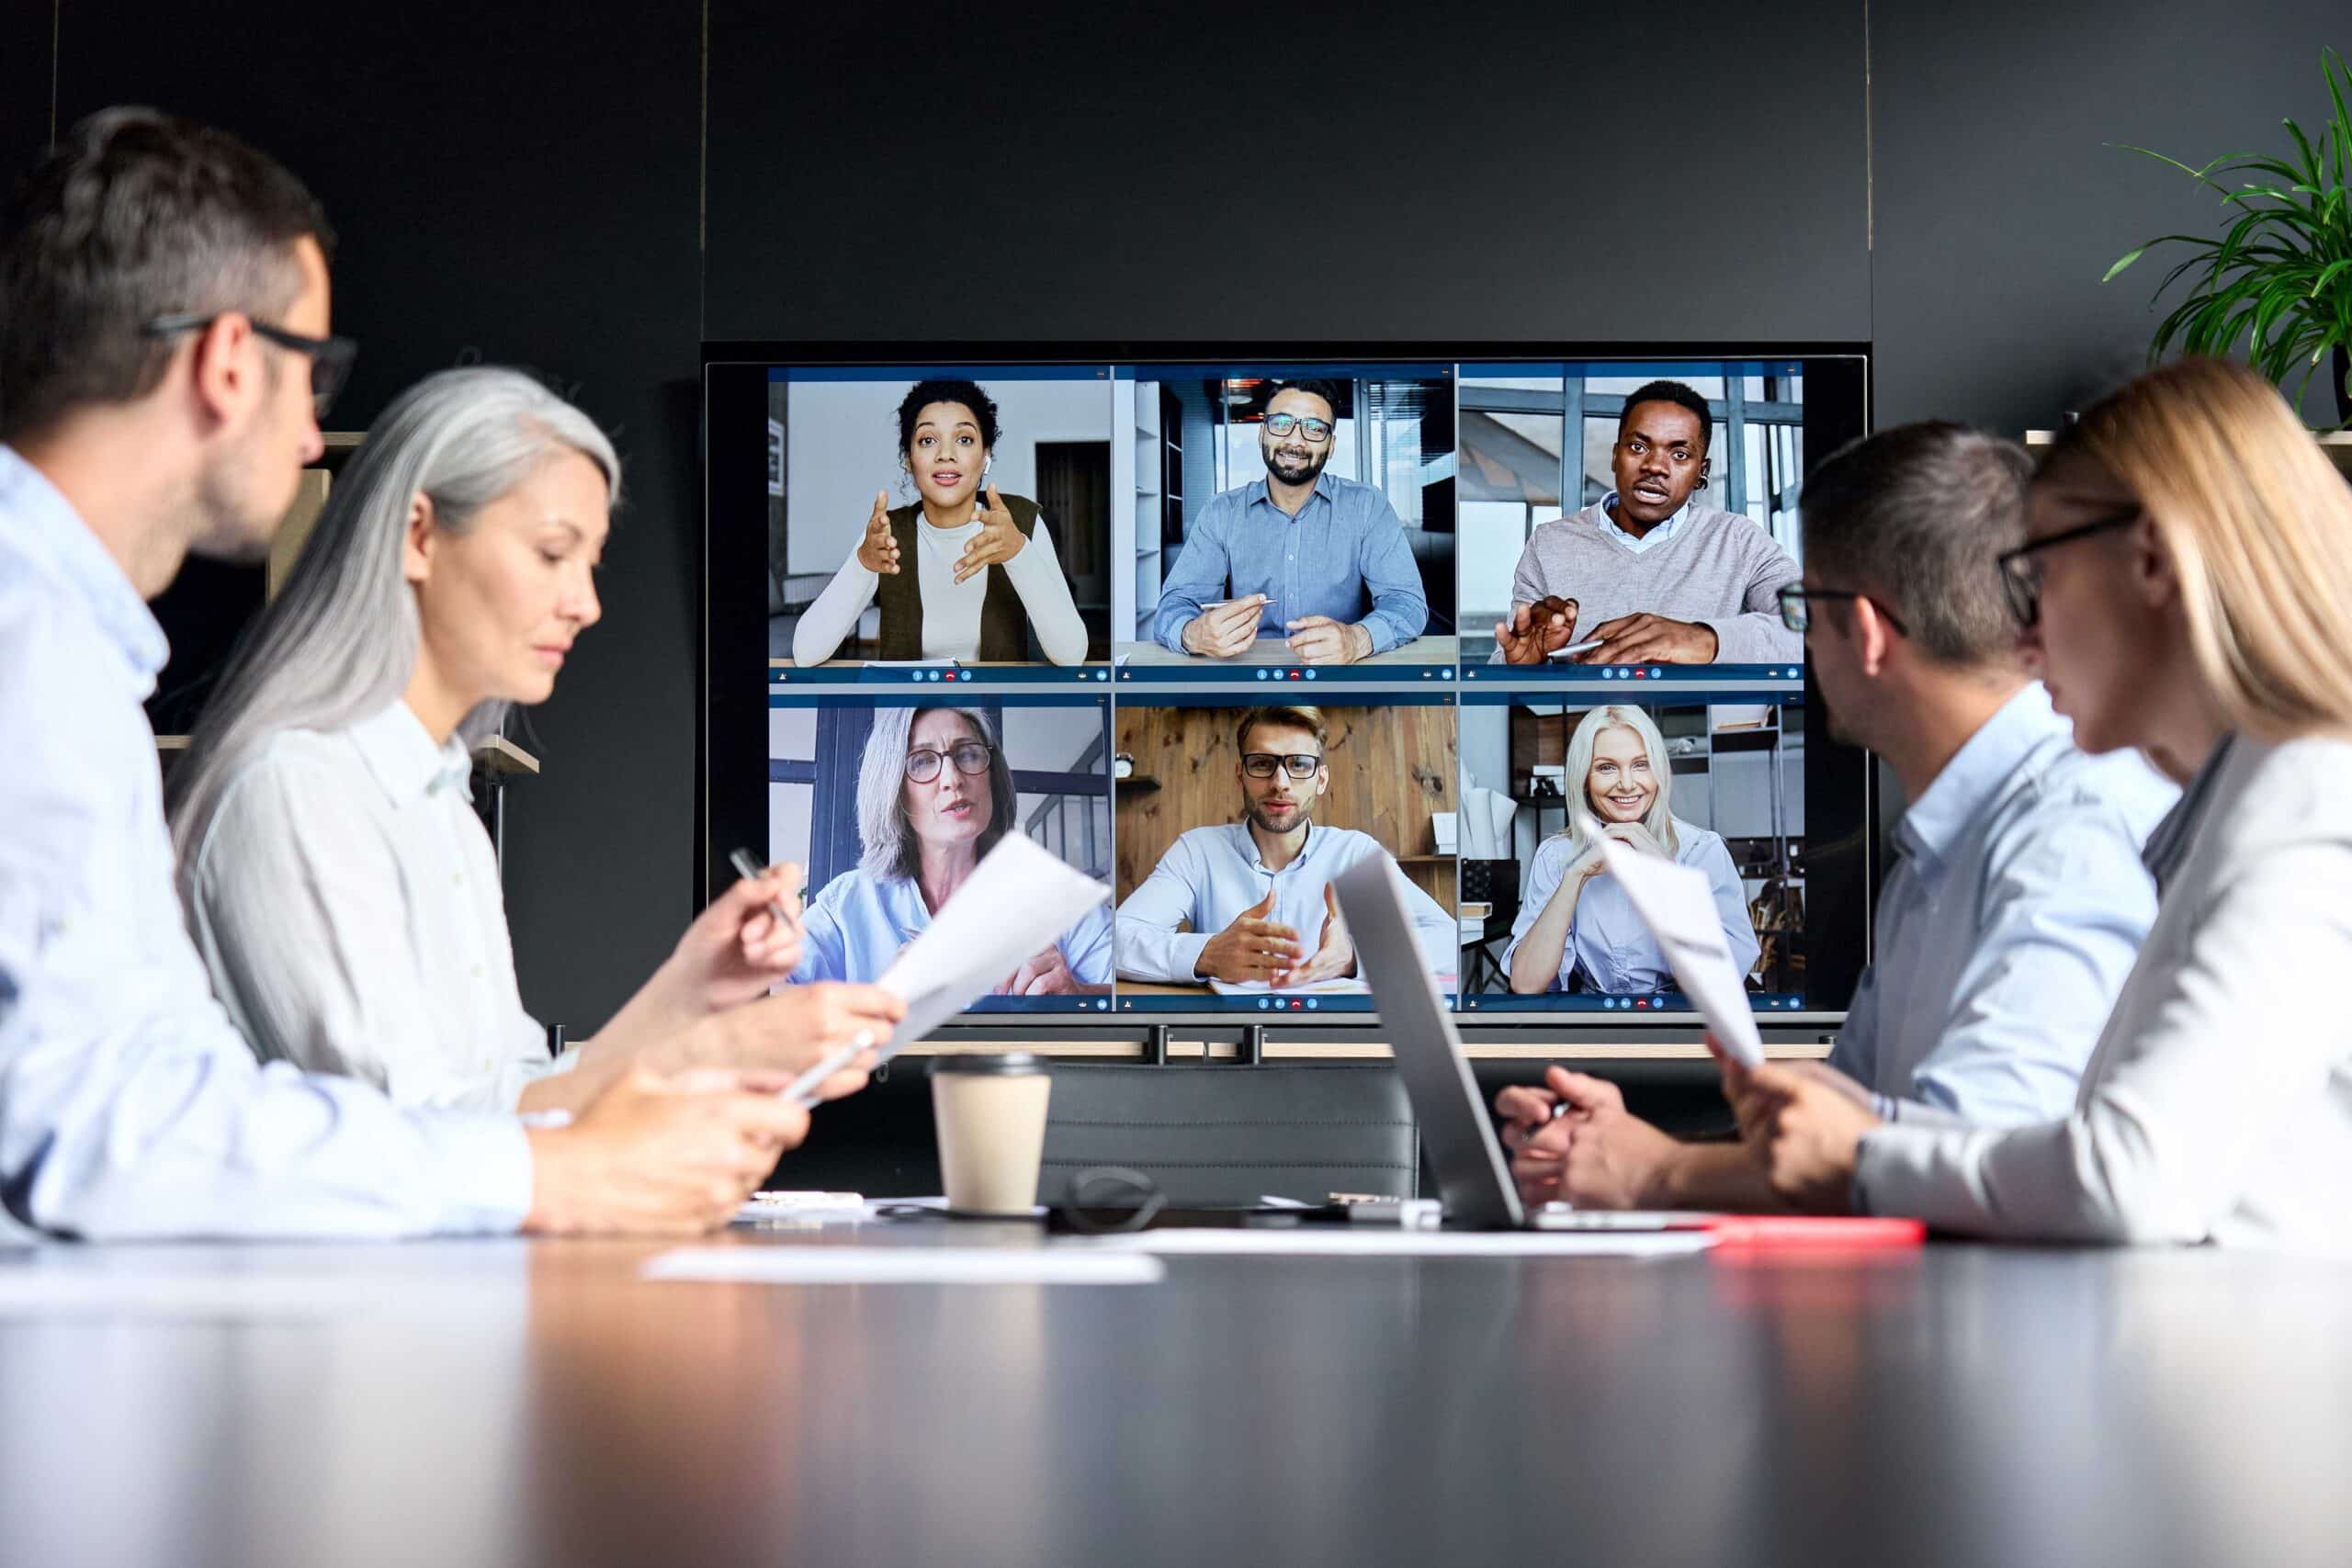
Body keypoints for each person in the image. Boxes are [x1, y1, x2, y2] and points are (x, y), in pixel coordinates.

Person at [0, 107, 877, 1240]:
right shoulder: (55, 661)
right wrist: (598, 1142)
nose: (316, 437)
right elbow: (106, 1127)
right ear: (228, 361)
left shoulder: (78, 657)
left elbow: (198, 1096)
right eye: (313, 377)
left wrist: (684, 1007)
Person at [1723, 363, 2352, 1249]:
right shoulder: (2241, 802)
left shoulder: (2307, 806)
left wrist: (1861, 1151)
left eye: (2040, 571)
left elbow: (2129, 1175)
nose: (2023, 631)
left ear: (2152, 563)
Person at [169, 367, 905, 1112]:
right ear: (418, 535)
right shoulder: (297, 788)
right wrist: (720, 1049)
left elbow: (515, 1095)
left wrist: (694, 987)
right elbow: (416, 1141)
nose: (586, 605)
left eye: (591, 564)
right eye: (553, 554)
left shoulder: (441, 804)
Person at [1498, 422, 2175, 1213]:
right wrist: (1618, 1147)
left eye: (1804, 607)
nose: (1802, 638)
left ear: (1864, 631)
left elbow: (1984, 1167)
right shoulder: (1940, 849)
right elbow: (1858, 1127)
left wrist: (1654, 1173)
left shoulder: (2069, 834)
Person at [1116, 705, 1454, 984]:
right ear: (1240, 775)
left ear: (1321, 779)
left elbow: (1449, 942)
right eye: (1263, 764)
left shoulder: (1355, 854)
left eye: (1299, 765)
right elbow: (1116, 939)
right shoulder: (1197, 851)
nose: (1280, 783)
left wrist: (1352, 958)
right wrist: (1209, 954)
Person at [794, 705, 1112, 994]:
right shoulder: (848, 903)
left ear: (991, 775)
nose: (953, 778)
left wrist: (1078, 995)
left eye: (968, 754)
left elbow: (1130, 997)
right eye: (921, 761)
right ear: (893, 789)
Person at [1491, 379, 1800, 666]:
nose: (1654, 466)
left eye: (1679, 454)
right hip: (1587, 726)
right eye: (1638, 447)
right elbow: (1506, 663)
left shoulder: (1740, 540)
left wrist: (1704, 639)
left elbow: (1816, 629)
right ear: (1615, 456)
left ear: (1701, 472)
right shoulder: (1549, 543)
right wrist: (1523, 666)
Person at [791, 379, 1089, 666]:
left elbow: (1072, 654)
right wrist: (863, 564)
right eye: (928, 440)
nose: (946, 454)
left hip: (1000, 713)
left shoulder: (1022, 522)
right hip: (909, 715)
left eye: (964, 439)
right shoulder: (887, 534)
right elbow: (805, 653)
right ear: (908, 459)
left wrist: (1019, 553)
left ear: (985, 456)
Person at [1151, 380, 1428, 665]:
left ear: (1331, 445)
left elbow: (1407, 603)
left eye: (1315, 428)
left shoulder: (1368, 506)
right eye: (1282, 423)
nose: (1295, 440)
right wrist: (1193, 633)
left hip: (1340, 680)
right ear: (1262, 433)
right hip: (1248, 684)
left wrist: (1357, 639)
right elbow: (1174, 606)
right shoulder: (1221, 512)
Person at [1502, 705, 1760, 997]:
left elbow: (1715, 985)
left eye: (1641, 764)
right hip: (1594, 1023)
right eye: (1606, 767)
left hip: (1683, 1020)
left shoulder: (1703, 851)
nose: (1626, 784)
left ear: (1659, 771)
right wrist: (1575, 876)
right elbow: (1525, 984)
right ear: (1584, 779)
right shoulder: (1554, 856)